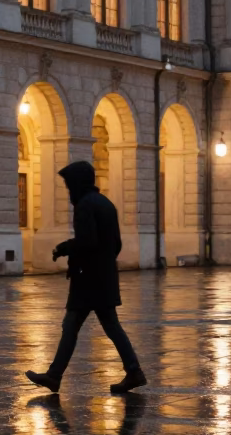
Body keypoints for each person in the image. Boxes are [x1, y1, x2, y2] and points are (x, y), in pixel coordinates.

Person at [26, 160, 147, 395]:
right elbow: (116, 244)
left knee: (72, 325)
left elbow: (87, 241)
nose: (69, 189)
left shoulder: (84, 205)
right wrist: (104, 264)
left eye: (69, 184)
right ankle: (133, 371)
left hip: (88, 280)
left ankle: (55, 376)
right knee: (106, 325)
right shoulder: (106, 204)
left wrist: (64, 247)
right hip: (104, 277)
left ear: (78, 183)